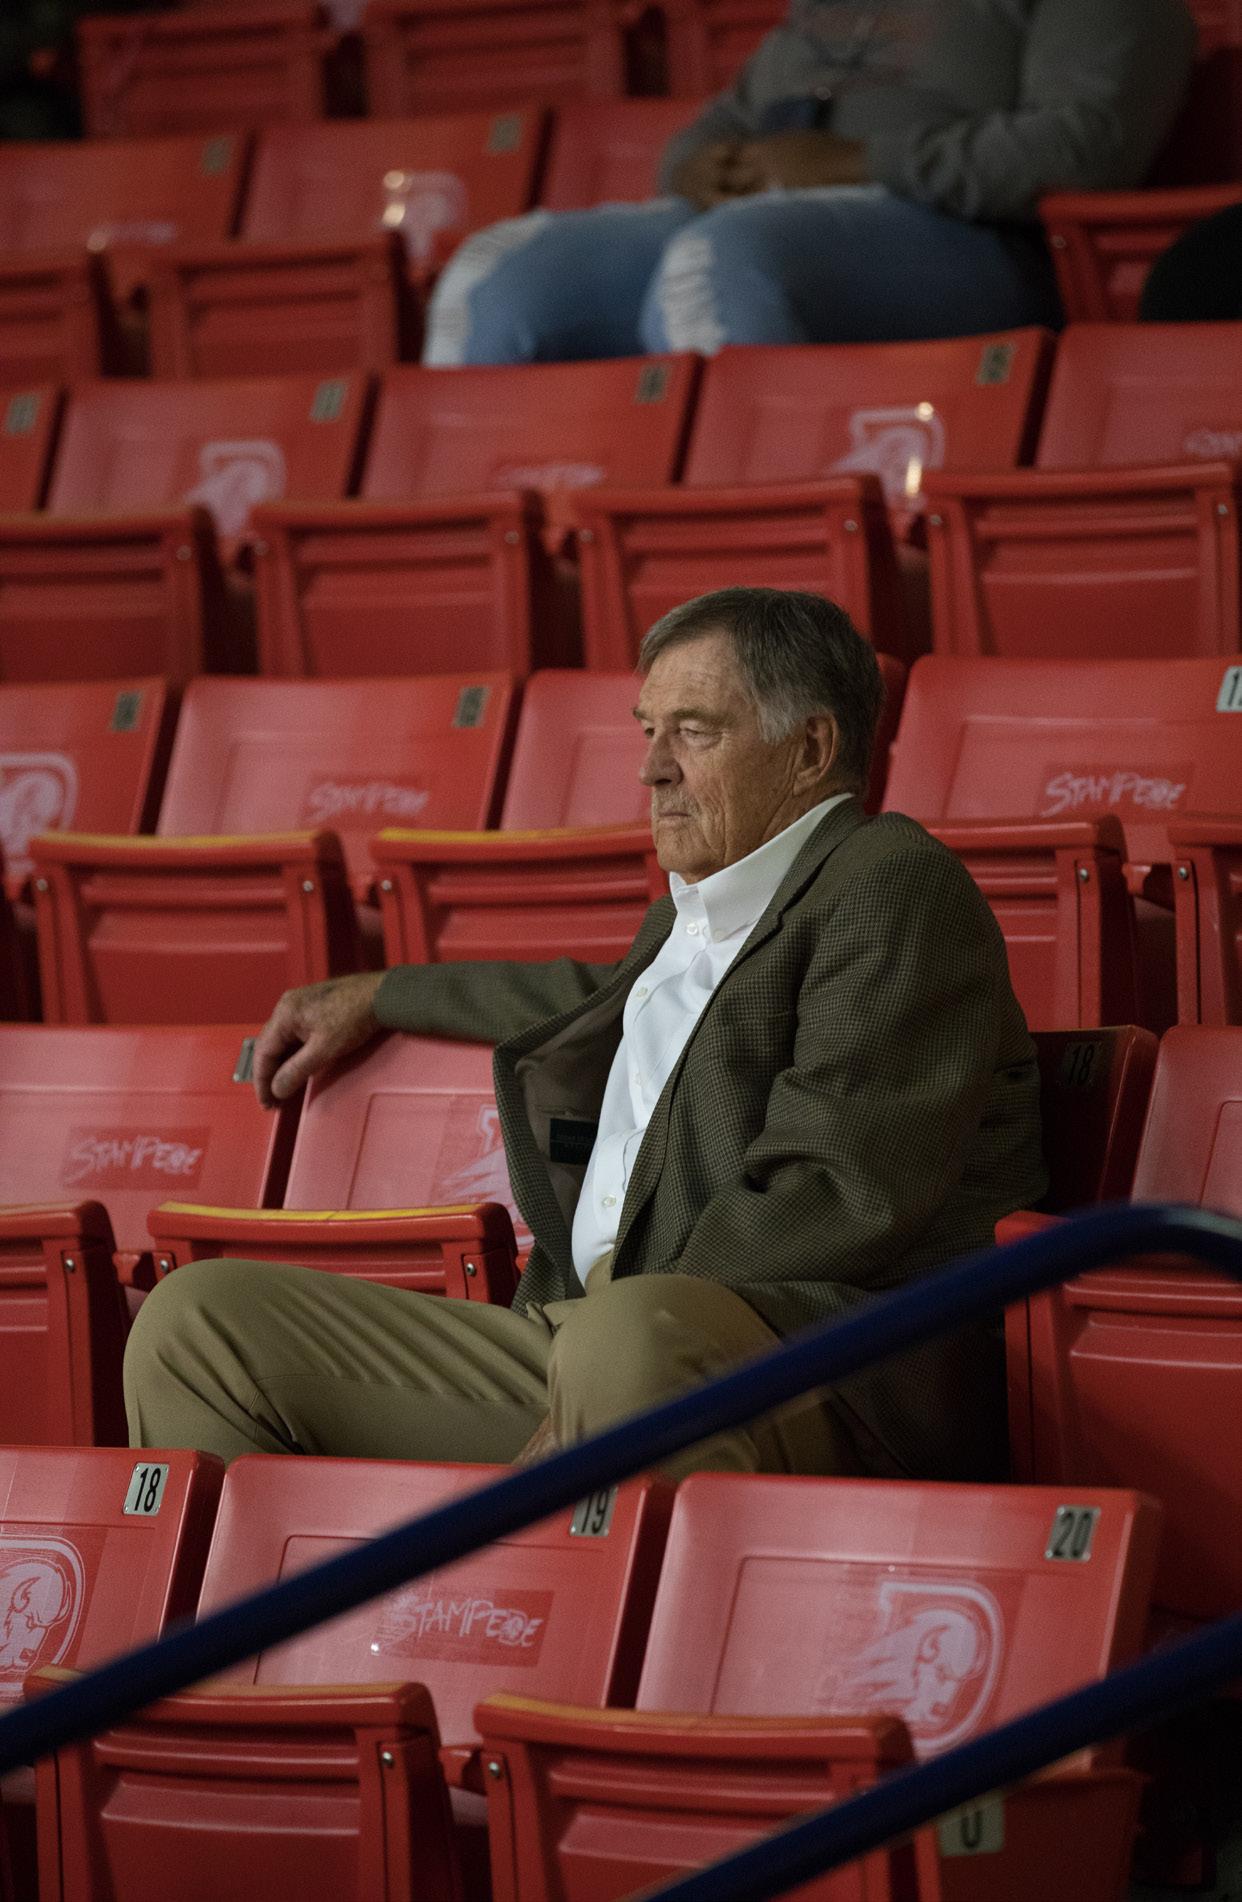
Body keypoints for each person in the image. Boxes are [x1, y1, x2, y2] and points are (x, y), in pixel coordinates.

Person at [125, 587, 1046, 1481]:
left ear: (811, 749)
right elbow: (584, 1001)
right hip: (595, 1340)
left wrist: (618, 1345)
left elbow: (834, 1194)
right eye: (648, 731)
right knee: (195, 1325)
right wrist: (384, 993)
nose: (652, 769)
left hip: (813, 1363)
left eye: (694, 732)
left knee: (622, 1344)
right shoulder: (690, 917)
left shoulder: (891, 882)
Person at [423, 0, 1196, 366]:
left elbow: (1084, 146)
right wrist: (696, 165)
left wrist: (859, 162)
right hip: (762, 219)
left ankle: (751, 593)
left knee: (721, 261)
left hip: (971, 241)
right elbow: (727, 115)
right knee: (497, 274)